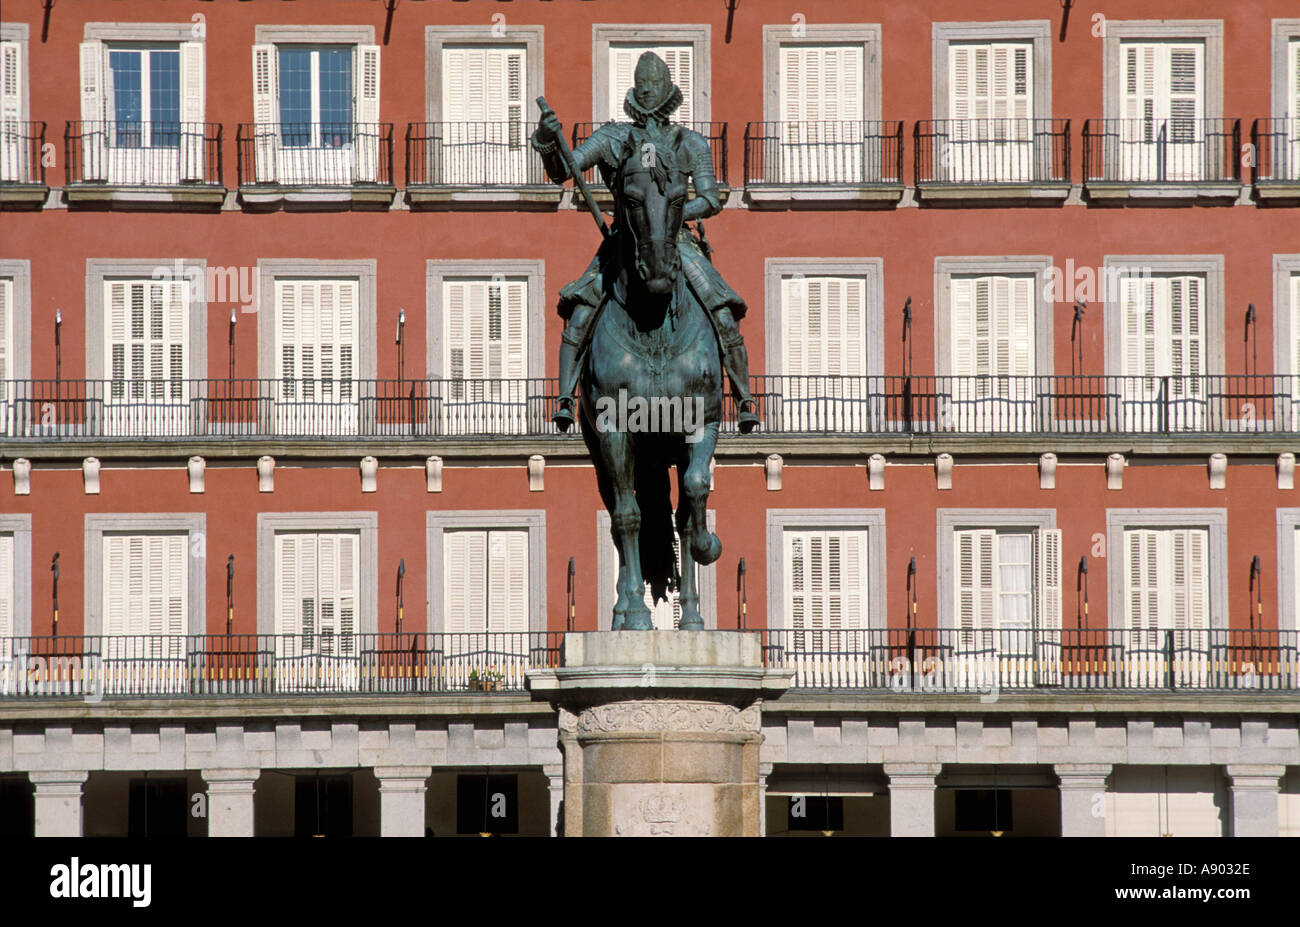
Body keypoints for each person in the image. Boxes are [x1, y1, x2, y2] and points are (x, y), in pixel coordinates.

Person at [531, 51, 760, 434]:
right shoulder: (612, 137)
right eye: (644, 86)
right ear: (635, 92)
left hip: (677, 241)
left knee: (721, 309)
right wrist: (546, 141)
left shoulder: (690, 142)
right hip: (625, 242)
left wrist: (670, 216)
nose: (649, 93)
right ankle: (567, 398)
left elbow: (711, 199)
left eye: (654, 87)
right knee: (582, 308)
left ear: (668, 93)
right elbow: (566, 170)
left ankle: (744, 397)